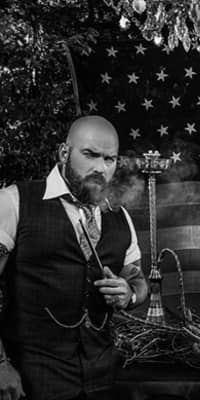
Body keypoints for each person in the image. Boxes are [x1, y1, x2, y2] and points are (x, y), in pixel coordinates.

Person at [0, 116, 149, 400]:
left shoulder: (120, 216)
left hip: (101, 379)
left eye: (109, 159)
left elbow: (138, 280)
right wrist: (0, 365)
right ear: (64, 152)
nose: (100, 167)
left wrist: (129, 293)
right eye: (90, 154)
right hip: (32, 378)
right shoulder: (13, 201)